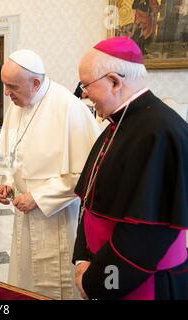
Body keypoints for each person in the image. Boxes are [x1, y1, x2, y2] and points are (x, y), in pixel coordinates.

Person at [73, 36, 188, 300]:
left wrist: (96, 283)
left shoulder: (161, 133)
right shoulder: (118, 123)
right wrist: (82, 258)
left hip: (143, 284)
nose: (84, 94)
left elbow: (145, 238)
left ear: (114, 81)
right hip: (106, 271)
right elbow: (89, 201)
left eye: (86, 85)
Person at [0, 49, 101, 300]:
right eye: (5, 85)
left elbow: (86, 174)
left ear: (35, 83)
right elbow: (12, 155)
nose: (6, 93)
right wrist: (8, 182)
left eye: (11, 86)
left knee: (56, 283)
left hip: (57, 218)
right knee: (25, 277)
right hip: (24, 214)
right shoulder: (17, 105)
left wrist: (39, 197)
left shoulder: (69, 108)